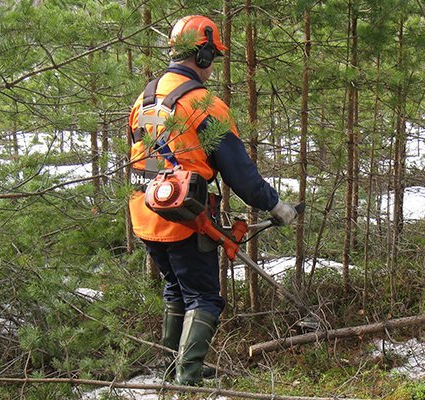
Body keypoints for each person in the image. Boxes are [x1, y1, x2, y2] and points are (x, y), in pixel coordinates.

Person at [126, 15, 298, 386]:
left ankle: (173, 367)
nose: (211, 67)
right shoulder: (204, 104)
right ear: (202, 55)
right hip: (185, 218)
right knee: (205, 298)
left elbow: (142, 153)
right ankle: (187, 380)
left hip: (144, 212)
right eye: (212, 57)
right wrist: (276, 206)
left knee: (176, 288)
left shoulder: (145, 96)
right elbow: (240, 174)